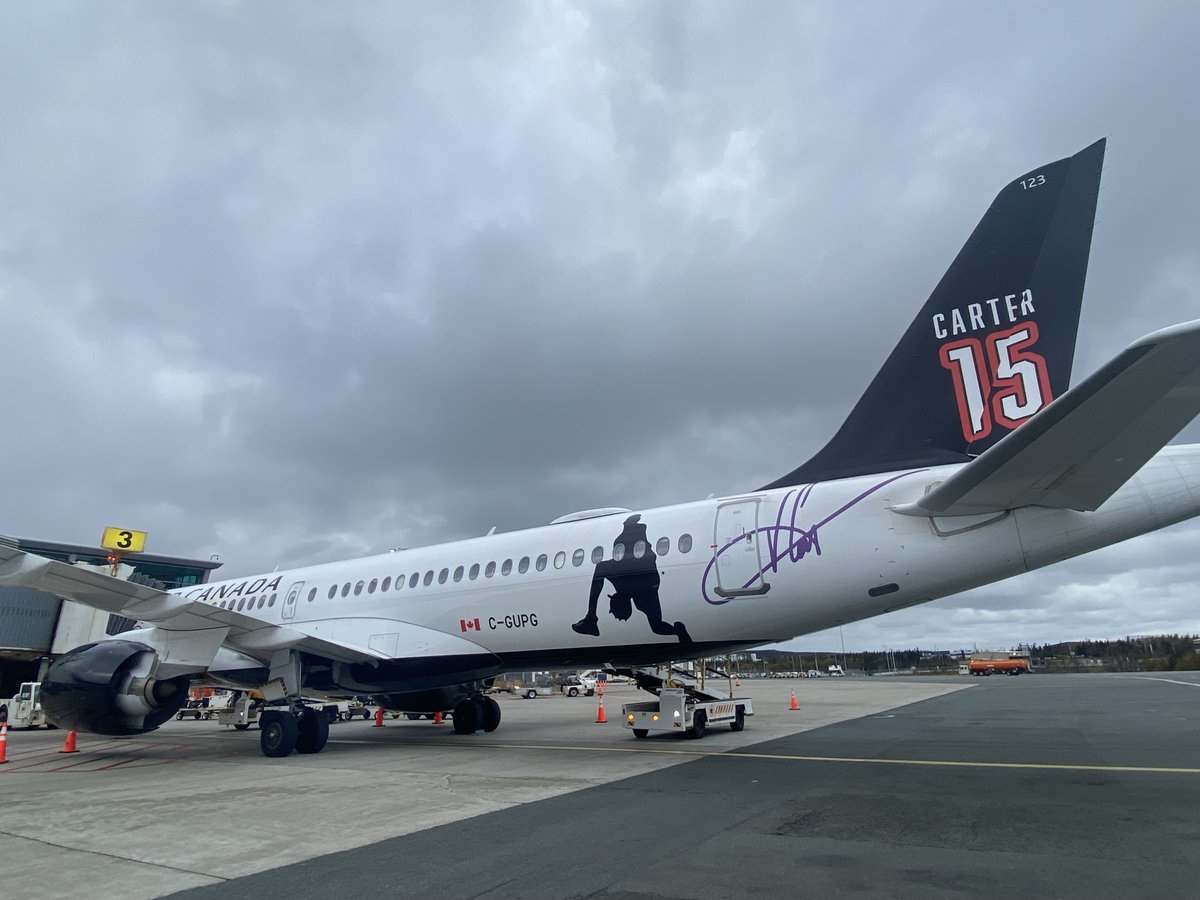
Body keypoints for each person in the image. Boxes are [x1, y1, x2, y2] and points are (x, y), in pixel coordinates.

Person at [572, 514, 691, 643]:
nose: (611, 609)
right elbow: (657, 626)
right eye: (613, 609)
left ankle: (590, 620)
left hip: (644, 571)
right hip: (646, 573)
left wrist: (677, 631)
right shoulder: (642, 601)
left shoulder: (635, 596)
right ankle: (590, 619)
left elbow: (658, 626)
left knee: (614, 559)